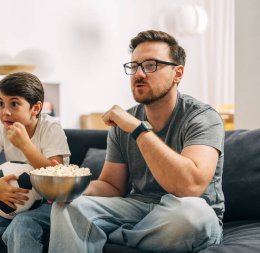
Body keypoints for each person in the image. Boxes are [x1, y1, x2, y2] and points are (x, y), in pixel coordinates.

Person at [49, 30, 225, 253]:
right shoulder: (125, 121)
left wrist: (138, 129)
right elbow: (113, 186)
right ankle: (131, 235)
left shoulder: (202, 117)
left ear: (177, 73)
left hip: (186, 211)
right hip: (137, 208)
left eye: (151, 65)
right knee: (66, 207)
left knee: (192, 216)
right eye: (134, 66)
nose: (139, 74)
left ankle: (116, 237)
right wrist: (72, 188)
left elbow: (189, 186)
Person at [0, 72, 71, 253]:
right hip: (19, 204)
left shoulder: (51, 128)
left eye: (14, 104)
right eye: (1, 103)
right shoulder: (3, 130)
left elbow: (56, 176)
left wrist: (25, 145)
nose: (5, 112)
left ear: (35, 108)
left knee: (23, 223)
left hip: (51, 205)